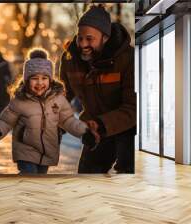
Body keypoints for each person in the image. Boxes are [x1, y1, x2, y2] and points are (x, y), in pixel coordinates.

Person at [0, 48, 96, 174]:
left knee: (40, 182)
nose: (40, 83)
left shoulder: (58, 99)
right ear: (26, 80)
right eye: (34, 78)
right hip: (25, 151)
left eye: (44, 78)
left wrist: (84, 132)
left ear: (50, 79)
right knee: (30, 179)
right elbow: (6, 121)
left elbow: (68, 120)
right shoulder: (20, 100)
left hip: (47, 152)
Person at [59, 6, 136, 173]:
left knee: (126, 175)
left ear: (105, 37)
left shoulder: (128, 59)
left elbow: (133, 108)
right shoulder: (69, 59)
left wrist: (100, 124)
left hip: (126, 128)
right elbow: (62, 96)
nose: (83, 44)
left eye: (89, 39)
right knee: (87, 176)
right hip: (95, 129)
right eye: (80, 38)